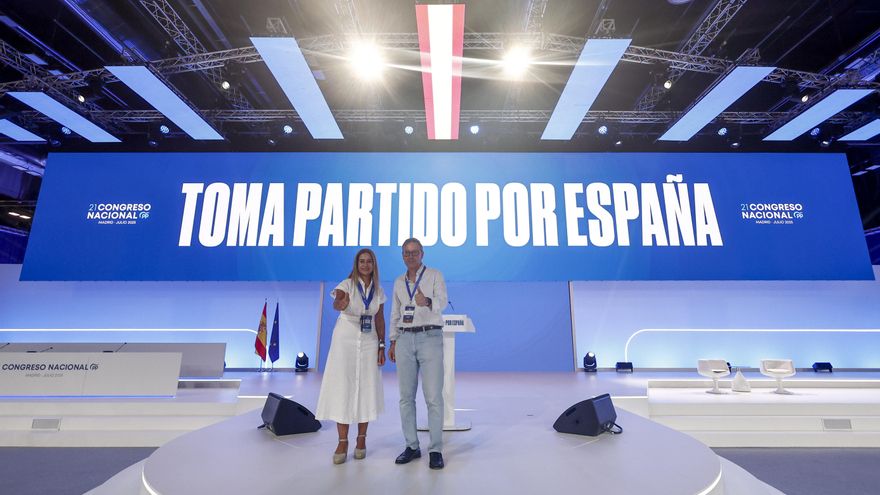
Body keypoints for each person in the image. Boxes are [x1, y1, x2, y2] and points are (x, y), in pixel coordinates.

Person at [315, 248, 386, 464]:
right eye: (361, 261)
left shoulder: (379, 291)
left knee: (366, 387)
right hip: (345, 338)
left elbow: (380, 319)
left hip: (369, 339)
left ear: (374, 265)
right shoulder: (345, 285)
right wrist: (340, 303)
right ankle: (342, 441)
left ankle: (361, 439)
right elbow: (337, 301)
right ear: (356, 265)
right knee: (342, 387)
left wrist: (382, 345)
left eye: (369, 262)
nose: (365, 265)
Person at [389, 238, 448, 470]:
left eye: (414, 252)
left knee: (433, 397)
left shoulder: (434, 275)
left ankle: (435, 449)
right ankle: (412, 446)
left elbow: (442, 301)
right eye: (406, 253)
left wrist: (428, 301)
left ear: (422, 254)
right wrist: (392, 341)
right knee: (405, 397)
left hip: (429, 337)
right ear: (402, 256)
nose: (410, 256)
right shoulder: (398, 281)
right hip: (404, 339)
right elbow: (395, 312)